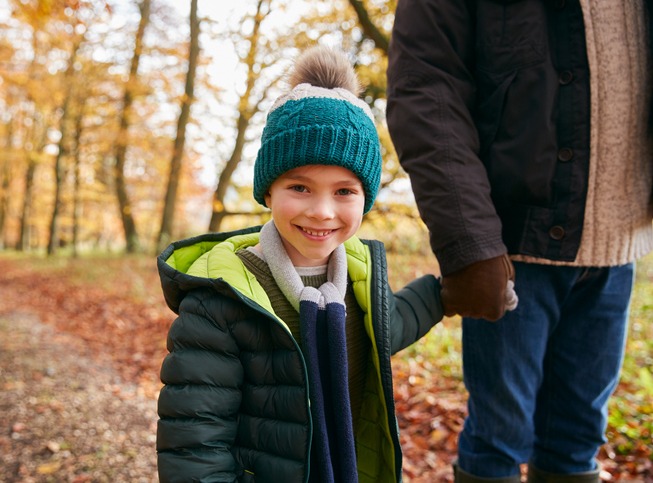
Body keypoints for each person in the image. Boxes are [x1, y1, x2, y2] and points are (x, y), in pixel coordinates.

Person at [386, 1, 653, 482]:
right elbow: (427, 87)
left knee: (578, 441)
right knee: (499, 441)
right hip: (512, 253)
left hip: (618, 247)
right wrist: (470, 242)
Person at [156, 46, 446, 483]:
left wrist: (444, 294)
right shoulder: (220, 300)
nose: (322, 211)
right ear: (268, 193)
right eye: (300, 187)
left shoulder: (359, 275)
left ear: (366, 198)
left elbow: (386, 327)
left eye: (344, 192)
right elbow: (195, 446)